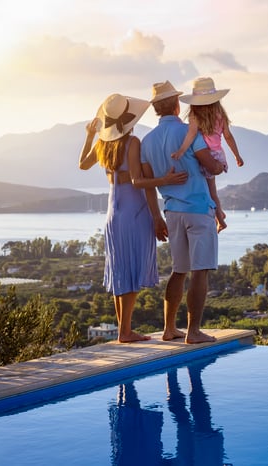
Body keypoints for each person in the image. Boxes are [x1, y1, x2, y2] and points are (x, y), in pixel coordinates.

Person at [79, 93, 188, 343]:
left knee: (121, 271)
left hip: (112, 214)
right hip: (134, 212)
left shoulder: (103, 145)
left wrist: (90, 135)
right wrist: (166, 180)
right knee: (133, 270)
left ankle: (123, 330)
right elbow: (138, 182)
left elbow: (82, 165)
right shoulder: (133, 143)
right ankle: (126, 331)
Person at [140, 80, 226, 344]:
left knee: (179, 270)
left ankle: (169, 329)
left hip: (171, 212)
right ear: (178, 104)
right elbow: (209, 165)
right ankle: (194, 331)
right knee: (200, 271)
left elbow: (148, 186)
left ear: (156, 109)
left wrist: (156, 217)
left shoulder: (147, 141)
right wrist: (220, 165)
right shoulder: (190, 132)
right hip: (198, 210)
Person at [171, 76, 244, 233]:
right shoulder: (220, 115)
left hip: (203, 157)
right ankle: (220, 214)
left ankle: (220, 219)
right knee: (212, 190)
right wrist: (237, 156)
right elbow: (228, 137)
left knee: (209, 191)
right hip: (218, 155)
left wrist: (181, 151)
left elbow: (190, 136)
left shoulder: (194, 116)